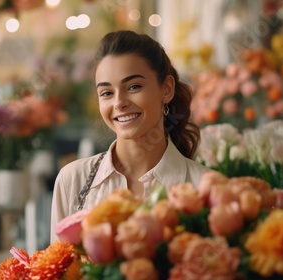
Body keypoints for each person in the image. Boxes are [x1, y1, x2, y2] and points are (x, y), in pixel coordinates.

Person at [50, 30, 210, 242]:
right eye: (106, 93)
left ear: (167, 89)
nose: (119, 103)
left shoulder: (205, 187)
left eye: (133, 87)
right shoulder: (72, 181)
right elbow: (56, 269)